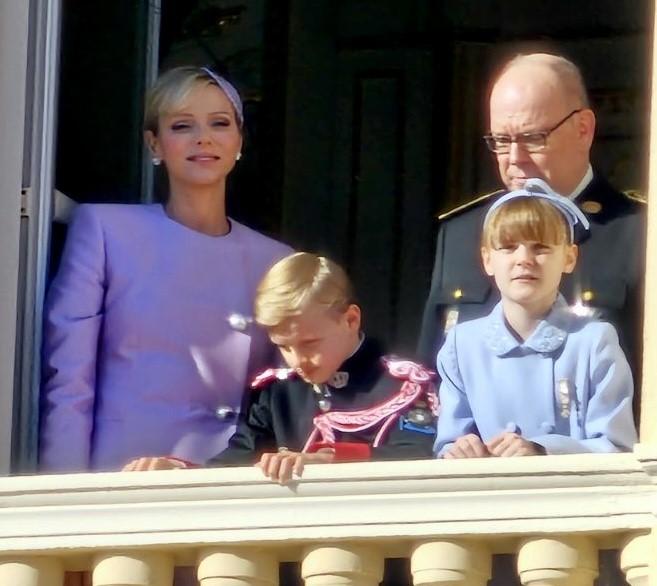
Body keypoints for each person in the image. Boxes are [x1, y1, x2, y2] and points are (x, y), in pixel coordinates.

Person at [40, 66, 291, 472]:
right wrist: (63, 493)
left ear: (239, 141)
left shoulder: (275, 259)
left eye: (220, 123)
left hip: (231, 478)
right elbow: (68, 380)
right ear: (153, 143)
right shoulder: (106, 231)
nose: (203, 138)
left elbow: (289, 391)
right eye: (181, 125)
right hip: (125, 477)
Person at [417, 53, 646, 385]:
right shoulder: (462, 233)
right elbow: (429, 381)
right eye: (501, 141)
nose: (514, 159)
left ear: (583, 130)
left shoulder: (638, 233)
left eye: (533, 138)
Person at [124, 252, 437, 483]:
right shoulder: (276, 393)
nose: (297, 361)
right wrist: (178, 471)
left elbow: (418, 454)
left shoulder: (404, 384)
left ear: (351, 320)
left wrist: (328, 459)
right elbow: (237, 461)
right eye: (284, 347)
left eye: (310, 343)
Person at [435, 178, 637, 458]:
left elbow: (615, 446)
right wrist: (459, 450)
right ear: (487, 260)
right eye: (507, 247)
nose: (524, 259)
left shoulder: (593, 341)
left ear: (569, 257)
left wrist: (542, 449)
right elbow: (448, 442)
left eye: (540, 247)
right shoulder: (462, 345)